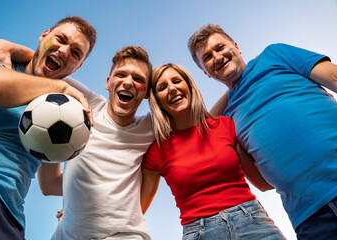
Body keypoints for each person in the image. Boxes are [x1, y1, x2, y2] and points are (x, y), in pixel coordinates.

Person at [188, 24, 337, 239]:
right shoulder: (225, 119)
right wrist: (230, 95)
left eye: (220, 47)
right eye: (208, 58)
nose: (218, 57)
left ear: (236, 46)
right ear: (206, 72)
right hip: (310, 216)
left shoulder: (275, 55)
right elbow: (262, 183)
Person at [0, 16, 96, 239]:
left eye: (75, 52)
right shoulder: (0, 63)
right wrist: (60, 86)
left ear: (78, 66)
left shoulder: (63, 112)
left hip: (9, 216)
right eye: (60, 39)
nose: (63, 51)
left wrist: (100, 193)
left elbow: (49, 183)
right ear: (44, 36)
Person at [141, 63, 285, 240]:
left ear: (189, 86)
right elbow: (138, 210)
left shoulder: (225, 126)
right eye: (162, 87)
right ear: (157, 101)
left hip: (252, 220)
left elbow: (263, 184)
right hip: (199, 232)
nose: (172, 88)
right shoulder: (156, 151)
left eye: (177, 81)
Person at [37, 46, 155, 239]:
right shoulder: (84, 106)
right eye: (121, 74)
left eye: (139, 79)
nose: (128, 82)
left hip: (123, 235)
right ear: (108, 82)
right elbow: (46, 71)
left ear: (148, 92)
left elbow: (200, 117)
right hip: (67, 234)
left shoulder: (150, 127)